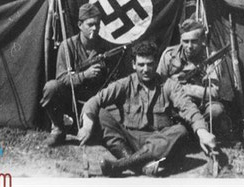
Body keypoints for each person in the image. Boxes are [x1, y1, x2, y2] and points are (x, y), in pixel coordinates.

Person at [78, 41, 216, 177]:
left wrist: (202, 131)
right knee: (101, 114)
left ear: (156, 64)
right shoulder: (125, 84)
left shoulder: (169, 85)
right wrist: (87, 126)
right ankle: (140, 165)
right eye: (141, 64)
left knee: (181, 131)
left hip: (157, 143)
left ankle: (122, 165)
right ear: (133, 65)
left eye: (150, 64)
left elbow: (188, 107)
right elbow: (95, 100)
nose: (145, 69)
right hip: (129, 140)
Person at [40, 3, 110, 146]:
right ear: (80, 25)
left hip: (95, 101)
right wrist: (85, 75)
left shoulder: (105, 48)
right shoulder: (67, 46)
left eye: (97, 24)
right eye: (90, 24)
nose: (94, 28)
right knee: (51, 87)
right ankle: (59, 130)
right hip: (70, 98)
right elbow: (62, 78)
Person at [157, 19, 226, 131]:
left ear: (202, 40)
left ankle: (195, 130)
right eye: (185, 41)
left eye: (194, 41)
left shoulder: (212, 57)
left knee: (216, 110)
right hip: (176, 103)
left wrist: (186, 88)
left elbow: (213, 93)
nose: (189, 46)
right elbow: (158, 84)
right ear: (180, 40)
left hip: (201, 104)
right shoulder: (169, 55)